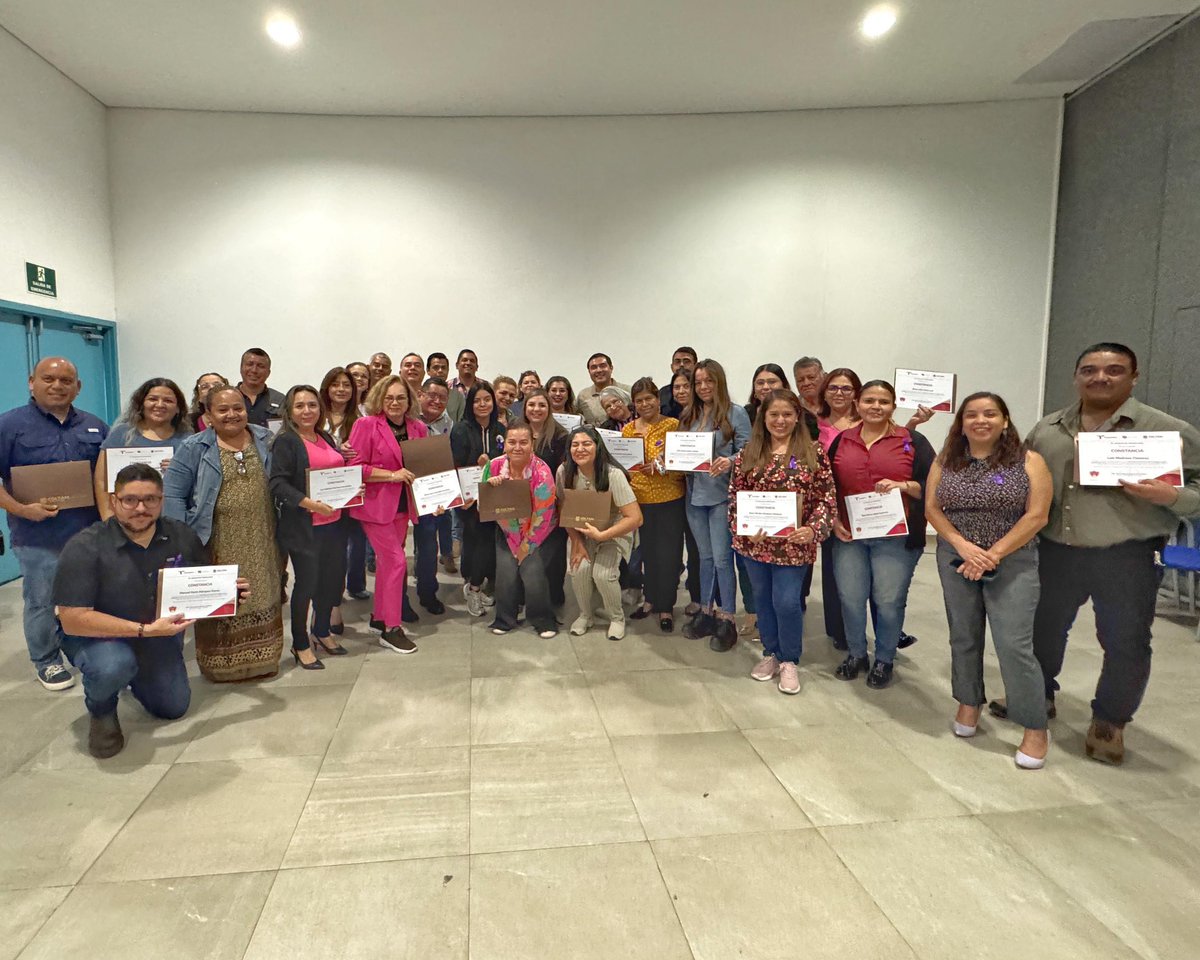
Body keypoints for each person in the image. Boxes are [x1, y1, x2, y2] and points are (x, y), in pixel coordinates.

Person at [996, 343, 1200, 765]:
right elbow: (1025, 480)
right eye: (1089, 370)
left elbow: (1196, 491)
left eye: (1113, 370)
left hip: (1126, 556)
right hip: (1056, 552)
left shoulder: (1168, 431)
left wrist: (1172, 495)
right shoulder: (1049, 428)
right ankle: (1039, 697)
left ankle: (1110, 722)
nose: (1100, 378)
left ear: (1134, 376)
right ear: (1077, 376)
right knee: (1043, 631)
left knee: (1126, 642)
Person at [54, 463, 249, 758]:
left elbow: (201, 584)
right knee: (112, 666)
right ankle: (102, 708)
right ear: (113, 501)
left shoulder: (181, 535)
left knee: (173, 707)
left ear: (162, 501)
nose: (140, 508)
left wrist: (230, 593)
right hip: (97, 637)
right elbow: (73, 620)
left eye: (150, 500)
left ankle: (135, 674)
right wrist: (144, 630)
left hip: (154, 635)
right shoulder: (84, 547)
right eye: (130, 500)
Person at [925, 392, 1052, 769]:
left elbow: (1037, 515)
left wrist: (992, 555)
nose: (981, 420)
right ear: (961, 423)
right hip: (956, 556)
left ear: (1005, 421)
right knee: (963, 634)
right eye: (972, 415)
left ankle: (1033, 725)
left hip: (1012, 559)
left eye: (990, 414)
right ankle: (968, 701)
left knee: (1014, 644)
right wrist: (964, 547)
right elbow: (932, 508)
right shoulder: (946, 460)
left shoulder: (1029, 461)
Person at [0, 357, 108, 690]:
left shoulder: (95, 425)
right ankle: (46, 660)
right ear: (32, 381)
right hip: (37, 534)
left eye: (66, 380)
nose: (57, 386)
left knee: (93, 594)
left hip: (89, 532)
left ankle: (88, 645)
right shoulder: (9, 425)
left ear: (78, 387)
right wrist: (20, 508)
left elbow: (109, 475)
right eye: (49, 378)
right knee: (41, 599)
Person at [163, 387, 283, 681]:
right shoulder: (194, 448)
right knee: (223, 596)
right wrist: (185, 539)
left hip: (263, 535)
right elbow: (173, 495)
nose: (232, 415)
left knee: (263, 592)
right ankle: (223, 667)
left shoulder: (266, 439)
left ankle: (263, 661)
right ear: (208, 415)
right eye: (223, 410)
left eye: (238, 408)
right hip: (215, 539)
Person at [827, 380, 934, 689]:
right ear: (857, 404)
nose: (876, 406)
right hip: (849, 534)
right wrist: (833, 519)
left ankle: (885, 659)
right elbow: (827, 486)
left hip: (895, 537)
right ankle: (857, 654)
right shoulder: (842, 441)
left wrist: (904, 486)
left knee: (888, 601)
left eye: (883, 402)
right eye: (869, 400)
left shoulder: (912, 440)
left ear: (893, 406)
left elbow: (934, 485)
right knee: (850, 598)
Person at [729, 389, 836, 694]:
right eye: (773, 414)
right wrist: (744, 529)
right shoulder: (748, 453)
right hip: (755, 546)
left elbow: (825, 500)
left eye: (787, 414)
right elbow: (735, 499)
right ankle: (771, 653)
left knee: (787, 602)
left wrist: (813, 530)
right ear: (763, 417)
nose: (780, 420)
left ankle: (789, 659)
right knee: (762, 602)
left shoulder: (813, 453)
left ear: (797, 417)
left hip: (794, 546)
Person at [270, 385, 356, 668]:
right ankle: (300, 643)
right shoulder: (286, 441)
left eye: (312, 405)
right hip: (306, 526)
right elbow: (278, 484)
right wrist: (309, 503)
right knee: (306, 585)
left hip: (334, 524)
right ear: (290, 411)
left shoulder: (325, 437)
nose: (307, 411)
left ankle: (321, 631)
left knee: (331, 582)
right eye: (299, 406)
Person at [347, 375, 427, 654]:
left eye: (401, 397)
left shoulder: (418, 428)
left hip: (404, 507)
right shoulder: (365, 425)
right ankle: (392, 628)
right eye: (389, 397)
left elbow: (426, 469)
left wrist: (437, 498)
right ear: (380, 399)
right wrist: (391, 475)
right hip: (375, 506)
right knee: (395, 562)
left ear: (409, 400)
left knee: (386, 563)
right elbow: (355, 467)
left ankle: (379, 618)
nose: (395, 402)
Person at [679, 359, 751, 651]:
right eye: (698, 382)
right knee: (704, 558)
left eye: (709, 381)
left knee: (723, 560)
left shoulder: (736, 413)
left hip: (721, 496)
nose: (704, 387)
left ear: (719, 382)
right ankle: (707, 612)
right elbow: (680, 450)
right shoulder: (689, 414)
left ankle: (728, 618)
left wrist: (731, 461)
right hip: (693, 495)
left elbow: (748, 452)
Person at [559, 426, 642, 640]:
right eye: (575, 444)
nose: (580, 449)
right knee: (579, 569)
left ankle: (616, 617)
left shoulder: (613, 475)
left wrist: (603, 536)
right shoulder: (564, 472)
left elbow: (635, 518)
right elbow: (564, 511)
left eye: (586, 443)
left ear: (598, 446)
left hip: (613, 532)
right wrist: (577, 542)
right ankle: (586, 615)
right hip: (582, 533)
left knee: (603, 574)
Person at [483, 420, 559, 638]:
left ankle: (543, 620)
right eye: (512, 442)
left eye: (523, 442)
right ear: (504, 444)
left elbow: (544, 514)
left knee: (532, 572)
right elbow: (484, 501)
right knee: (505, 573)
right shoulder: (494, 465)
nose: (517, 447)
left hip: (538, 529)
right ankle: (504, 619)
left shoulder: (542, 472)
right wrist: (492, 485)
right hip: (506, 529)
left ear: (532, 445)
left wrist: (527, 544)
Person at [623, 378, 687, 631]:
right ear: (634, 404)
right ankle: (650, 600)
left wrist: (662, 467)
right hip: (640, 501)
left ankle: (666, 607)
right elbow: (625, 465)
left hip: (670, 498)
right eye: (639, 400)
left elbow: (683, 464)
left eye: (649, 398)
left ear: (658, 400)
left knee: (669, 555)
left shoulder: (673, 426)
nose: (645, 404)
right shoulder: (628, 430)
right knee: (647, 553)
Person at [738, 362, 793, 638]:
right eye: (760, 382)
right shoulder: (744, 416)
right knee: (755, 578)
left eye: (772, 381)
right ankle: (756, 618)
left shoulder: (803, 429)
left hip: (792, 525)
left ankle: (785, 632)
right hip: (755, 520)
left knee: (788, 591)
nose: (765, 387)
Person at [95, 378, 192, 519]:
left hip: (172, 521)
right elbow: (101, 480)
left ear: (178, 408)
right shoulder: (120, 434)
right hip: (127, 521)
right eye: (153, 399)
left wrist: (180, 471)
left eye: (168, 401)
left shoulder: (188, 440)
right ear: (141, 403)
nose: (160, 405)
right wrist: (107, 517)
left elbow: (198, 485)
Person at [451, 382, 507, 616]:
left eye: (487, 400)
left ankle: (475, 585)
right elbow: (455, 465)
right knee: (477, 543)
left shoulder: (500, 430)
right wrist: (478, 464)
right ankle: (474, 589)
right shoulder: (460, 429)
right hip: (469, 500)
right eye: (477, 400)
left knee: (488, 544)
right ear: (470, 404)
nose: (482, 404)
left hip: (495, 496)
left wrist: (492, 463)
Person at [320, 366, 367, 620]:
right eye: (336, 384)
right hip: (318, 494)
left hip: (347, 494)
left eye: (346, 385)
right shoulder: (314, 416)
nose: (341, 389)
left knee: (339, 552)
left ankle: (334, 605)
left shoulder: (360, 420)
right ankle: (321, 607)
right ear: (327, 387)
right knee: (322, 554)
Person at [524, 388, 570, 617]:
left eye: (542, 405)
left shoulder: (560, 435)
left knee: (553, 554)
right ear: (524, 407)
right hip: (522, 504)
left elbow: (565, 472)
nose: (536, 409)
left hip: (551, 505)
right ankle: (528, 594)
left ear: (549, 408)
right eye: (531, 404)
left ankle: (553, 595)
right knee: (527, 551)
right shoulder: (517, 430)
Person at [410, 377, 454, 607]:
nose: (437, 401)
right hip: (403, 487)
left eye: (442, 398)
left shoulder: (449, 424)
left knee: (428, 541)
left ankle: (427, 592)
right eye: (432, 395)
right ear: (420, 394)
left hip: (434, 490)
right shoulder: (406, 419)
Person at [670, 369, 703, 613]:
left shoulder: (705, 416)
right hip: (681, 490)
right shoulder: (680, 418)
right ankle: (696, 596)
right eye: (676, 387)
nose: (681, 391)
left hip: (703, 492)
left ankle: (703, 599)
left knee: (698, 549)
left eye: (686, 386)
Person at [237, 347, 285, 427]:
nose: (254, 370)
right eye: (250, 364)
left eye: (260, 366)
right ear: (241, 368)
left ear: (268, 373)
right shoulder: (227, 398)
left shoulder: (280, 400)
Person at [578, 353, 630, 426]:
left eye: (602, 366)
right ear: (589, 371)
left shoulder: (628, 391)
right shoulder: (583, 396)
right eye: (594, 367)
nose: (598, 370)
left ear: (611, 368)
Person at [660, 347, 697, 419]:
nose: (682, 365)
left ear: (695, 366)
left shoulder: (702, 390)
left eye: (686, 361)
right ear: (672, 367)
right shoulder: (662, 394)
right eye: (677, 362)